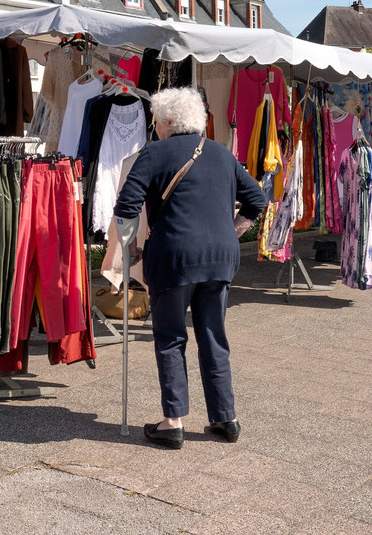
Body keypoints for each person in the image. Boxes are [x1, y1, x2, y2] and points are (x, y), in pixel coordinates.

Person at [113, 87, 267, 449]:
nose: (155, 127)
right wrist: (233, 229)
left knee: (170, 337)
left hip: (174, 257)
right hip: (220, 258)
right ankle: (226, 418)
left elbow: (126, 207)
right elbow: (257, 200)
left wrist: (131, 248)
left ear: (167, 121)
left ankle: (174, 421)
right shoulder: (221, 153)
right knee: (213, 337)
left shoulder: (153, 153)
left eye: (156, 121)